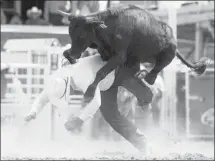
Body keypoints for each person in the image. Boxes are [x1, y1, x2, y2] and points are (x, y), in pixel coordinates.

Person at [25, 53, 154, 155]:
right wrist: (33, 111)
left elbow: (96, 101)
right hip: (106, 82)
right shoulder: (60, 78)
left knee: (145, 96)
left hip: (120, 70)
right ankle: (143, 143)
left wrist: (80, 120)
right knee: (111, 115)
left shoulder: (80, 76)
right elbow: (43, 96)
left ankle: (146, 102)